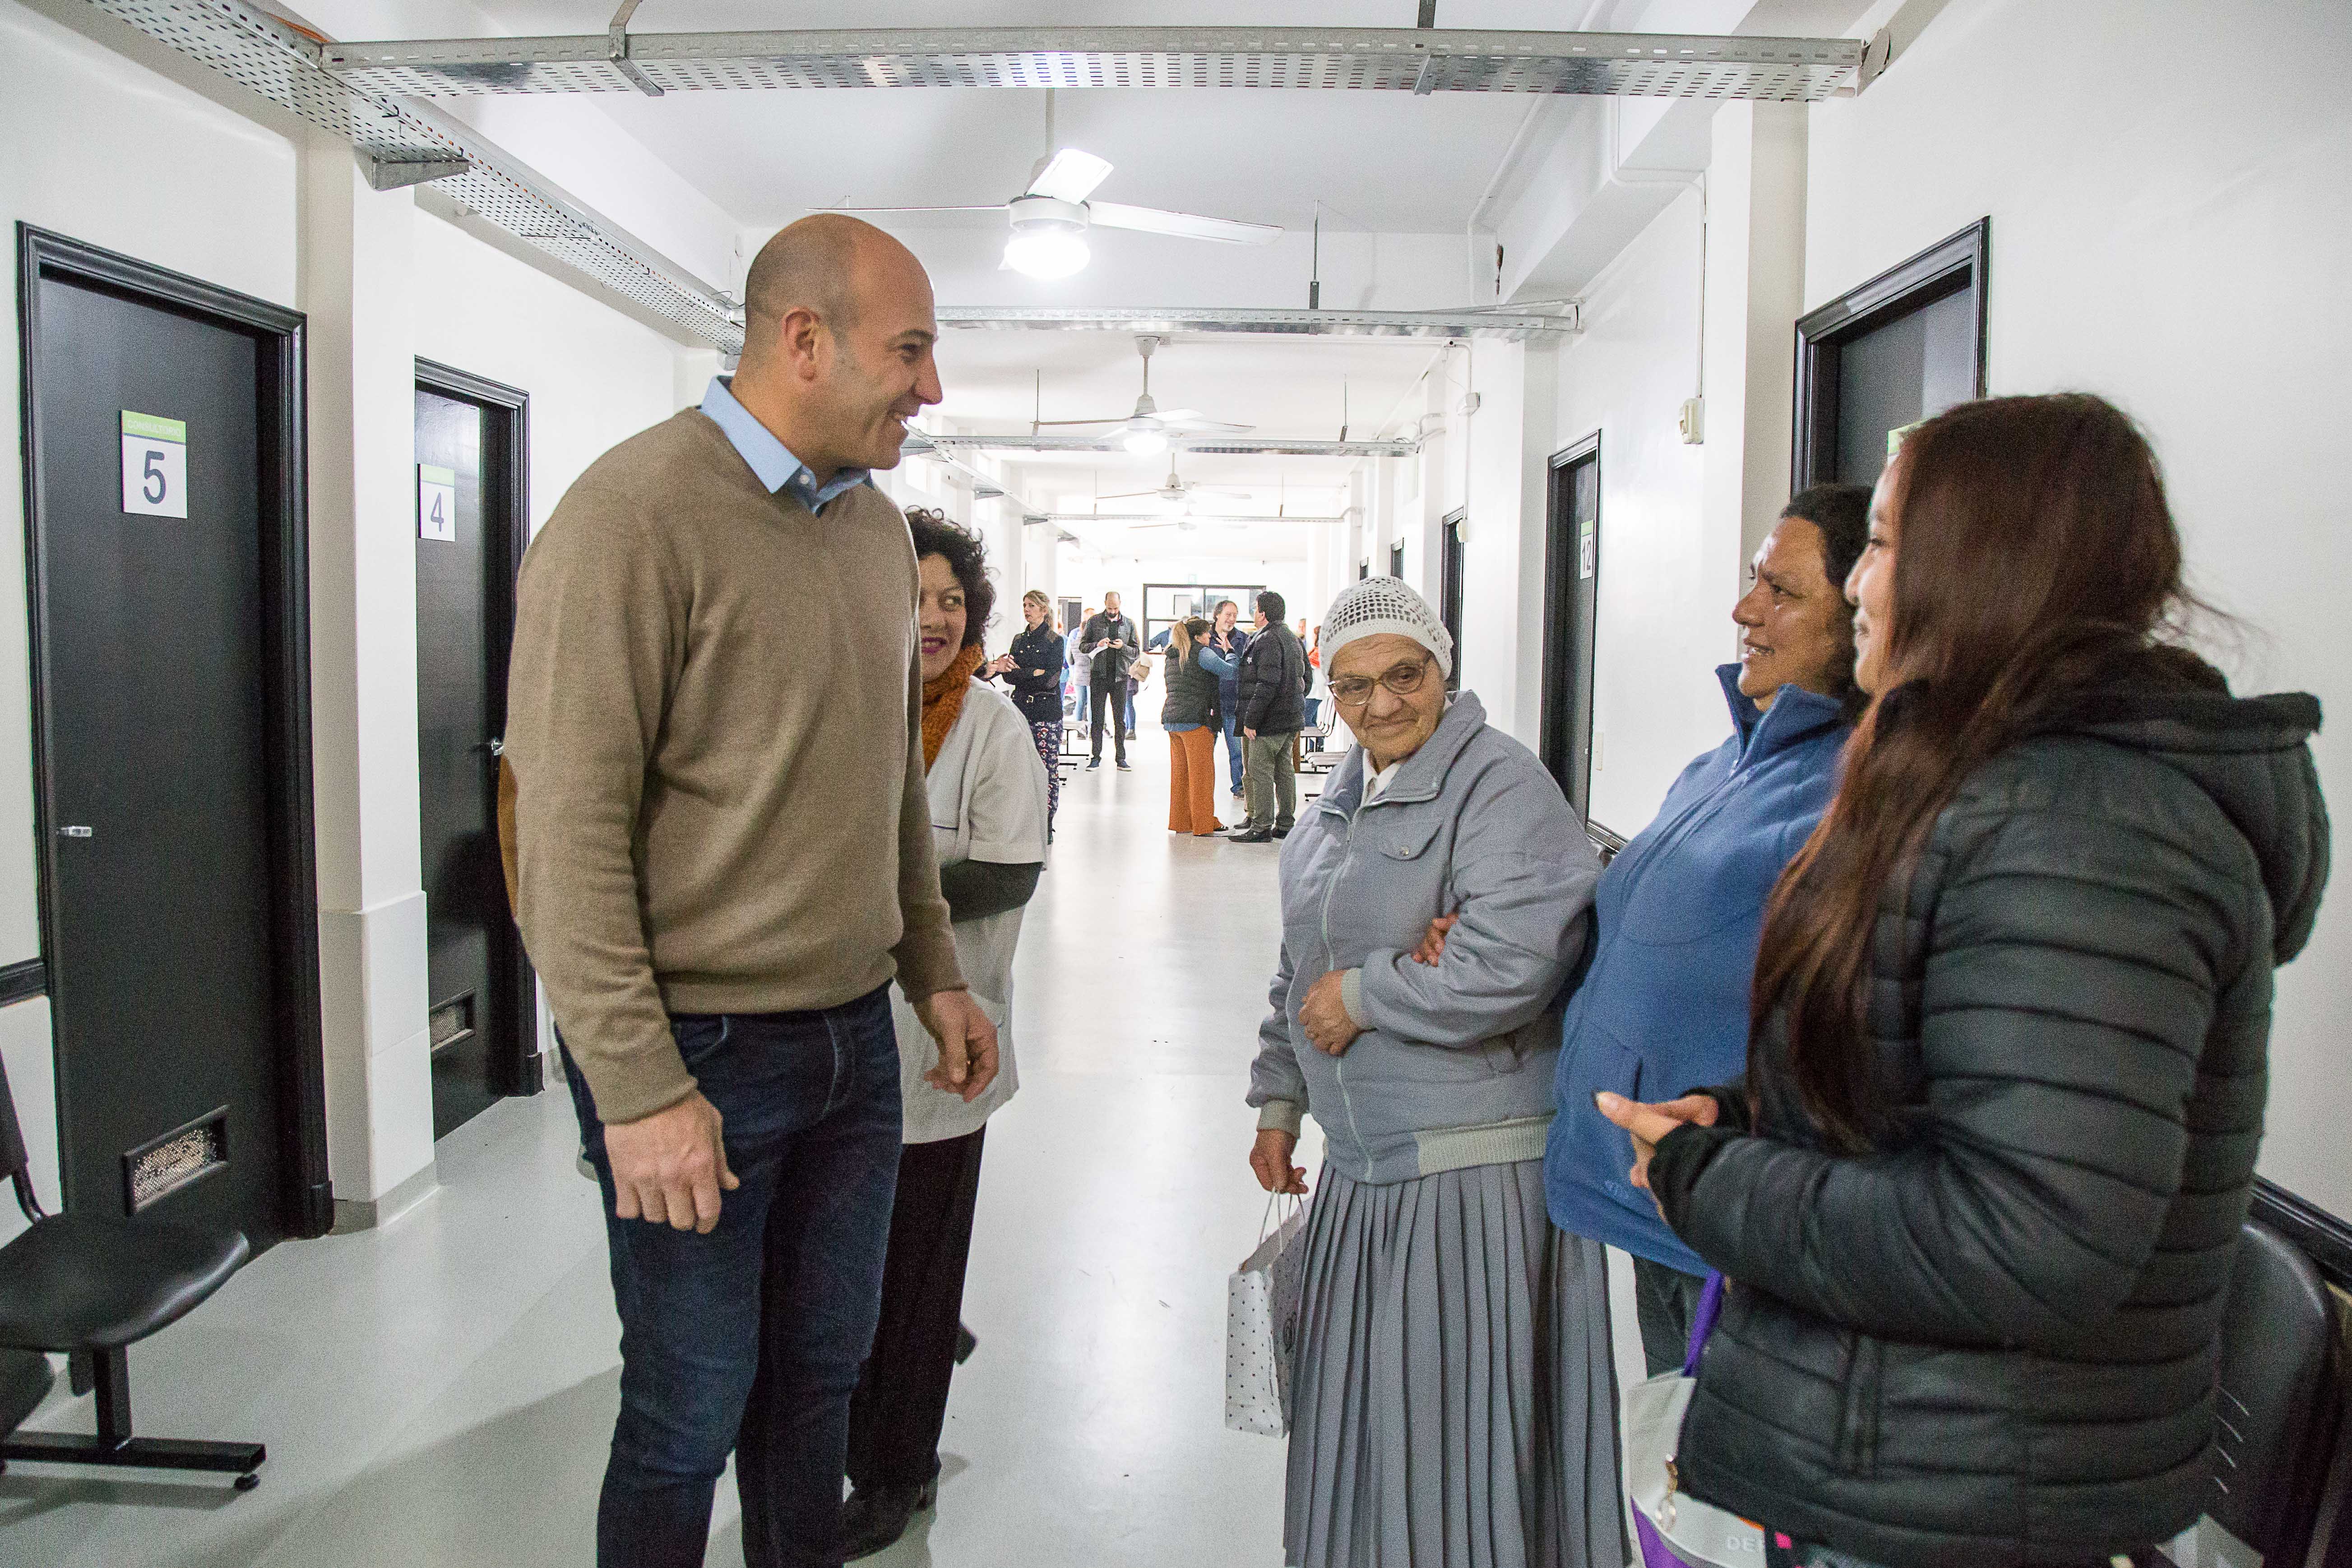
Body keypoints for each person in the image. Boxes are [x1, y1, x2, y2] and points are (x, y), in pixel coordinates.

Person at [1601, 394, 2329, 1568]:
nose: (1857, 587)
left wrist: (1714, 1180)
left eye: (1881, 544)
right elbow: (1940, 1093)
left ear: (1981, 563)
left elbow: (2026, 1236)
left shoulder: (2084, 828)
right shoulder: (1998, 792)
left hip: (1959, 1513)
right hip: (1912, 1477)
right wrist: (1745, 1116)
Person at [505, 214, 1000, 1568]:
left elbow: (883, 786)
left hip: (852, 1046)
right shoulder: (632, 517)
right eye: (909, 352)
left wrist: (932, 968)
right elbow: (562, 835)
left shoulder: (872, 535)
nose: (931, 387)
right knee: (686, 1410)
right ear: (804, 341)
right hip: (699, 1059)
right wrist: (638, 1087)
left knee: (815, 1397)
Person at [1247, 576, 1618, 1568]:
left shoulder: (1500, 785)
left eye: (1403, 676)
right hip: (1361, 1172)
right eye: (1353, 686)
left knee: (1459, 1445)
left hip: (1471, 1177)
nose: (1381, 705)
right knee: (1370, 1438)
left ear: (1441, 668)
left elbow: (1508, 962)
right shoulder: (1335, 806)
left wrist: (1365, 994)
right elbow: (1296, 966)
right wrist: (1278, 1097)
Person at [1537, 484, 1871, 1374]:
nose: (1743, 609)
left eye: (1782, 593)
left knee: (1721, 1492)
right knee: (1674, 1478)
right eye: (1753, 581)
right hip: (1656, 1187)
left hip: (1733, 1214)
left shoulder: (1859, 792)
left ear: (1870, 615)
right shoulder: (1726, 760)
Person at [844, 511, 1049, 1559]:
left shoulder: (991, 727)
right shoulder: (843, 705)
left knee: (914, 1267)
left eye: (950, 601)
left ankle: (896, 1470)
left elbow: (1009, 870)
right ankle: (886, 1397)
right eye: (914, 597)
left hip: (942, 1041)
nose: (931, 618)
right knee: (850, 1265)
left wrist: (868, 893)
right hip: (834, 1040)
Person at [1232, 590, 1306, 843]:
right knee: (1284, 769)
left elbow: (1266, 683)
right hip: (1289, 717)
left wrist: (1251, 721)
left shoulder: (1267, 640)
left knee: (1260, 769)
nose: (1253, 613)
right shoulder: (1291, 638)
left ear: (1263, 613)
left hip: (1270, 719)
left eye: (1255, 609)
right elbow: (1303, 678)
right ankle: (1285, 823)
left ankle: (1261, 826)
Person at [994, 588, 1067, 839]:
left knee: (1047, 766)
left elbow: (1051, 679)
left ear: (1043, 610)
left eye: (1032, 606)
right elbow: (1008, 674)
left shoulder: (1055, 641)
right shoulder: (1018, 640)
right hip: (1020, 708)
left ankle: (1046, 820)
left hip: (1046, 711)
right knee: (1018, 765)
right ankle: (1021, 819)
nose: (1026, 610)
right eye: (1025, 605)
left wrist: (1029, 674)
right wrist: (1032, 673)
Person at [1160, 616, 1226, 837]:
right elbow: (1229, 671)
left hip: (1172, 718)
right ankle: (1203, 824)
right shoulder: (1202, 652)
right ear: (1197, 637)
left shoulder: (1172, 654)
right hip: (1196, 720)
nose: (1210, 636)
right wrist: (1231, 653)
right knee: (1202, 775)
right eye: (1207, 633)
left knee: (1180, 775)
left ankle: (1181, 822)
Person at [1079, 592, 1139, 771]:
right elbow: (1083, 646)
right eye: (1110, 608)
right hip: (1098, 676)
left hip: (1120, 677)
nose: (1113, 611)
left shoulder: (1128, 624)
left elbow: (1136, 652)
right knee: (1097, 719)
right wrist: (1097, 644)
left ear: (1121, 604)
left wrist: (1123, 647)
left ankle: (1121, 758)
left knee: (1119, 720)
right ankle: (1095, 757)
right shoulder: (1094, 621)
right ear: (1105, 603)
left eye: (1116, 608)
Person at [1208, 598, 1251, 797]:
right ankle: (1203, 789)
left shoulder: (1243, 639)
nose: (1232, 619)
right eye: (1228, 615)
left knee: (1237, 752)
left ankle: (1239, 787)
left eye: (1235, 615)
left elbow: (1246, 670)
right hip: (1210, 705)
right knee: (1206, 752)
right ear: (1217, 615)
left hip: (1233, 704)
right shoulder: (1204, 639)